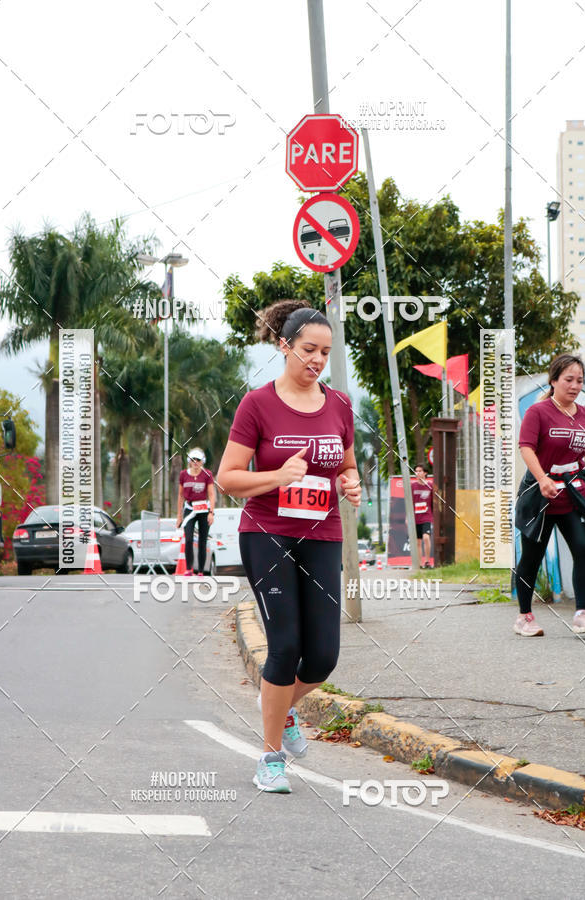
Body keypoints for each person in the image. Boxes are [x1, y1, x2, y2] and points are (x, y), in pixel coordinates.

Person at [217, 299, 361, 793]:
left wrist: (351, 484)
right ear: (284, 346)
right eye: (307, 350)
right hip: (267, 532)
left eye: (324, 352)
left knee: (322, 657)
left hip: (322, 534)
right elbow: (228, 478)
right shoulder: (257, 404)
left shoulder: (339, 404)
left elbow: (345, 464)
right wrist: (278, 475)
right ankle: (271, 756)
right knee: (285, 646)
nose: (317, 360)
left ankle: (283, 706)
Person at [515, 353, 585, 636]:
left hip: (572, 495)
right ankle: (524, 617)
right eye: (568, 379)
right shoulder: (539, 412)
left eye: (579, 381)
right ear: (554, 380)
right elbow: (526, 447)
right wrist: (543, 478)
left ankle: (582, 612)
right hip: (540, 496)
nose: (574, 385)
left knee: (584, 549)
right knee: (532, 557)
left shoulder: (584, 415)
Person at [176, 448, 215, 576]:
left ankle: (201, 571)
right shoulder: (183, 474)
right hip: (189, 508)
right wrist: (179, 516)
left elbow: (211, 494)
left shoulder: (207, 474)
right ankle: (188, 568)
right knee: (188, 538)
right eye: (193, 459)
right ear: (189, 461)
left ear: (202, 461)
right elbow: (181, 496)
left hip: (203, 509)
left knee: (203, 540)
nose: (195, 462)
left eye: (198, 460)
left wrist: (211, 512)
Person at [412, 463, 433, 569]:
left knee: (426, 537)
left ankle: (428, 561)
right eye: (416, 471)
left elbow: (434, 502)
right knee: (418, 542)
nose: (418, 473)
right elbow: (409, 502)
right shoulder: (413, 486)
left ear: (425, 473)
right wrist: (408, 518)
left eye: (420, 471)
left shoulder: (430, 486)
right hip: (415, 518)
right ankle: (420, 564)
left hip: (427, 517)